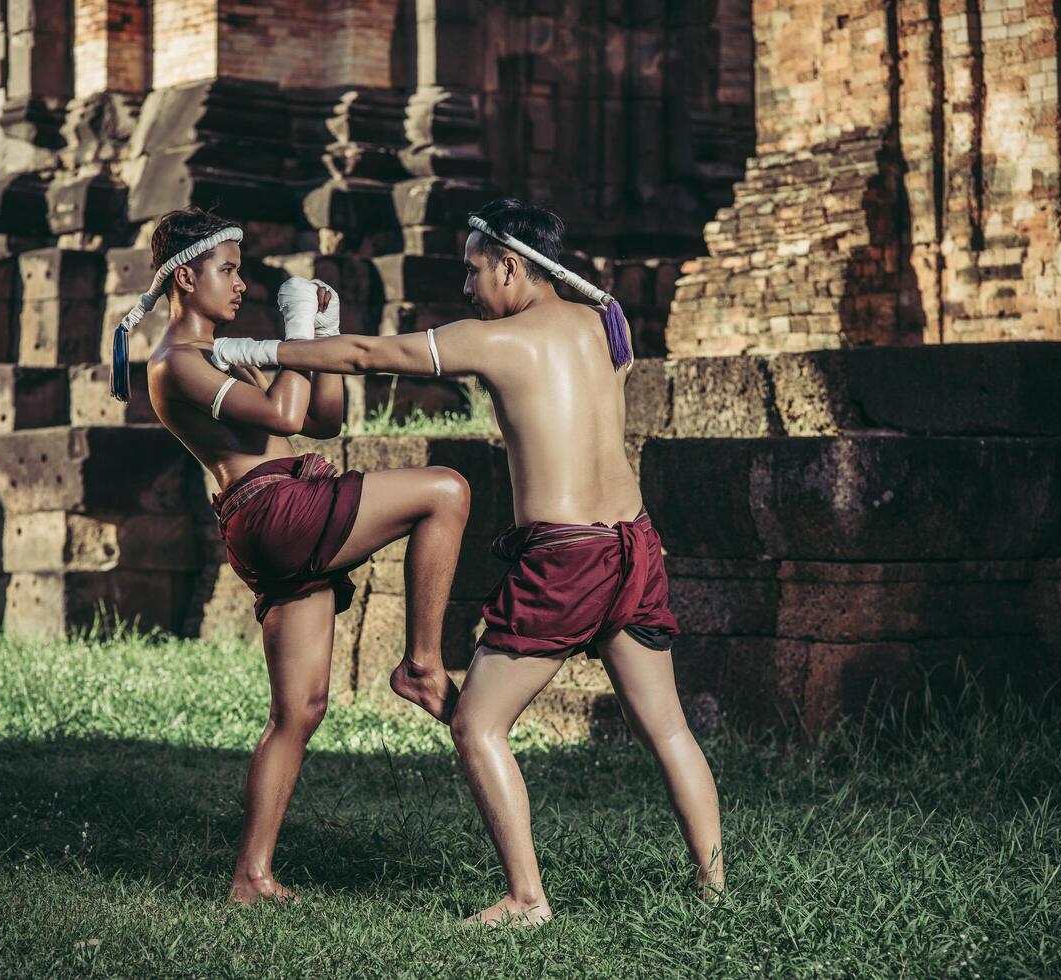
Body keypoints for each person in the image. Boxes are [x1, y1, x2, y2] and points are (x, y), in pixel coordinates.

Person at [207, 198, 725, 925]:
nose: (467, 287)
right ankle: (714, 891)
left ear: (511, 266)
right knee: (666, 728)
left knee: (476, 726)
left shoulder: (498, 341)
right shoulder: (601, 326)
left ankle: (525, 899)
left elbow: (366, 355)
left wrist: (253, 353)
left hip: (566, 557)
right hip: (634, 543)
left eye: (474, 269)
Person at [109, 207, 468, 906]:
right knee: (446, 491)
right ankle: (422, 663)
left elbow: (326, 417)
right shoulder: (176, 362)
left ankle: (251, 877)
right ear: (186, 276)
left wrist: (321, 336)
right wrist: (293, 335)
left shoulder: (224, 350)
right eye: (228, 271)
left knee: (297, 712)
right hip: (272, 510)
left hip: (278, 515)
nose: (240, 285)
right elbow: (283, 418)